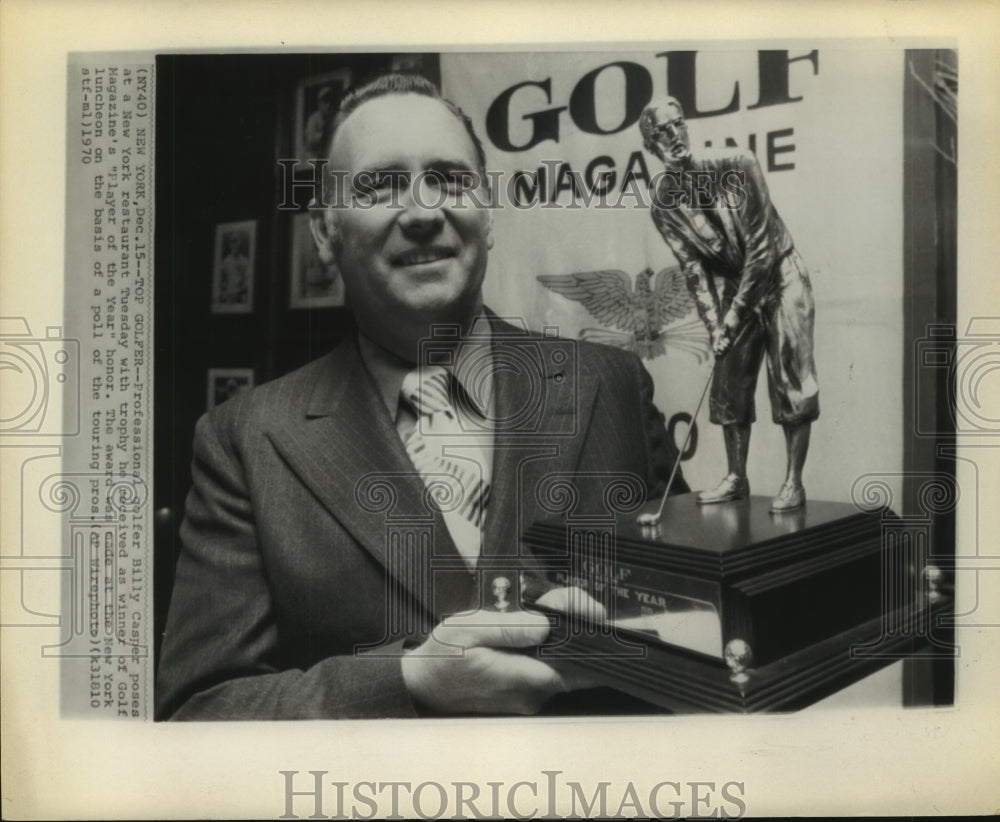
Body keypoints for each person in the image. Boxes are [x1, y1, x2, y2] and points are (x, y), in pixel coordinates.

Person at [155, 74, 686, 720]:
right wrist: (406, 682)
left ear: (487, 216)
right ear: (326, 234)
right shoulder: (246, 440)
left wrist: (615, 638)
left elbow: (698, 630)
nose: (425, 212)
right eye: (380, 186)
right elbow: (198, 710)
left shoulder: (613, 386)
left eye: (450, 179)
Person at [639, 96, 820, 513]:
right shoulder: (663, 203)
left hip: (780, 274)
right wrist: (715, 327)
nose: (674, 137)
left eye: (678, 125)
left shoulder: (738, 164)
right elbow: (693, 269)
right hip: (737, 283)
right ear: (651, 148)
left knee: (791, 376)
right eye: (661, 133)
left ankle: (794, 481)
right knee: (728, 381)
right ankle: (736, 476)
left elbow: (761, 246)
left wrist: (734, 314)